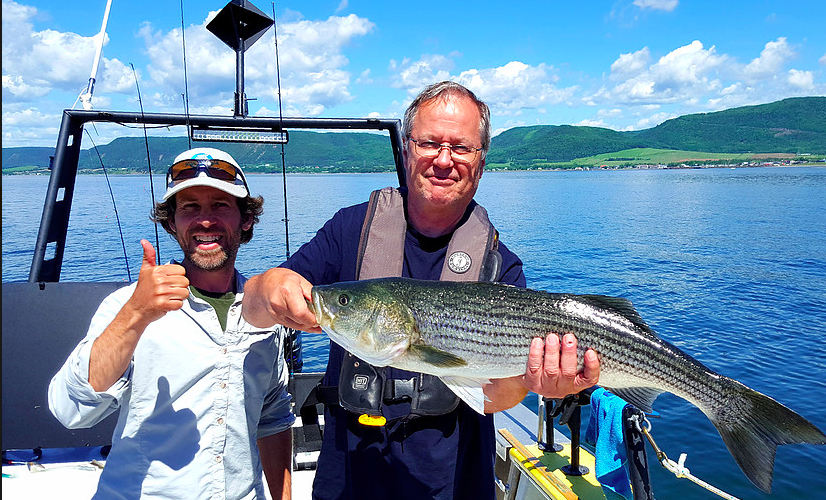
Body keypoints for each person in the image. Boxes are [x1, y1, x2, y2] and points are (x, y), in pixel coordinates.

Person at [242, 81, 600, 500]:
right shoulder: (349, 230)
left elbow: (493, 398)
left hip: (452, 484)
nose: (444, 160)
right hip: (349, 481)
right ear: (408, 150)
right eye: (429, 142)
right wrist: (267, 285)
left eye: (461, 148)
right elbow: (252, 308)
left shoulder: (500, 266)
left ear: (481, 164)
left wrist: (537, 382)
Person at [48, 147, 295, 500]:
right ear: (170, 222)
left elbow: (272, 417)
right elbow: (71, 411)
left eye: (221, 205)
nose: (205, 221)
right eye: (190, 207)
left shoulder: (265, 316)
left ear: (246, 220)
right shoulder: (127, 306)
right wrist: (137, 314)